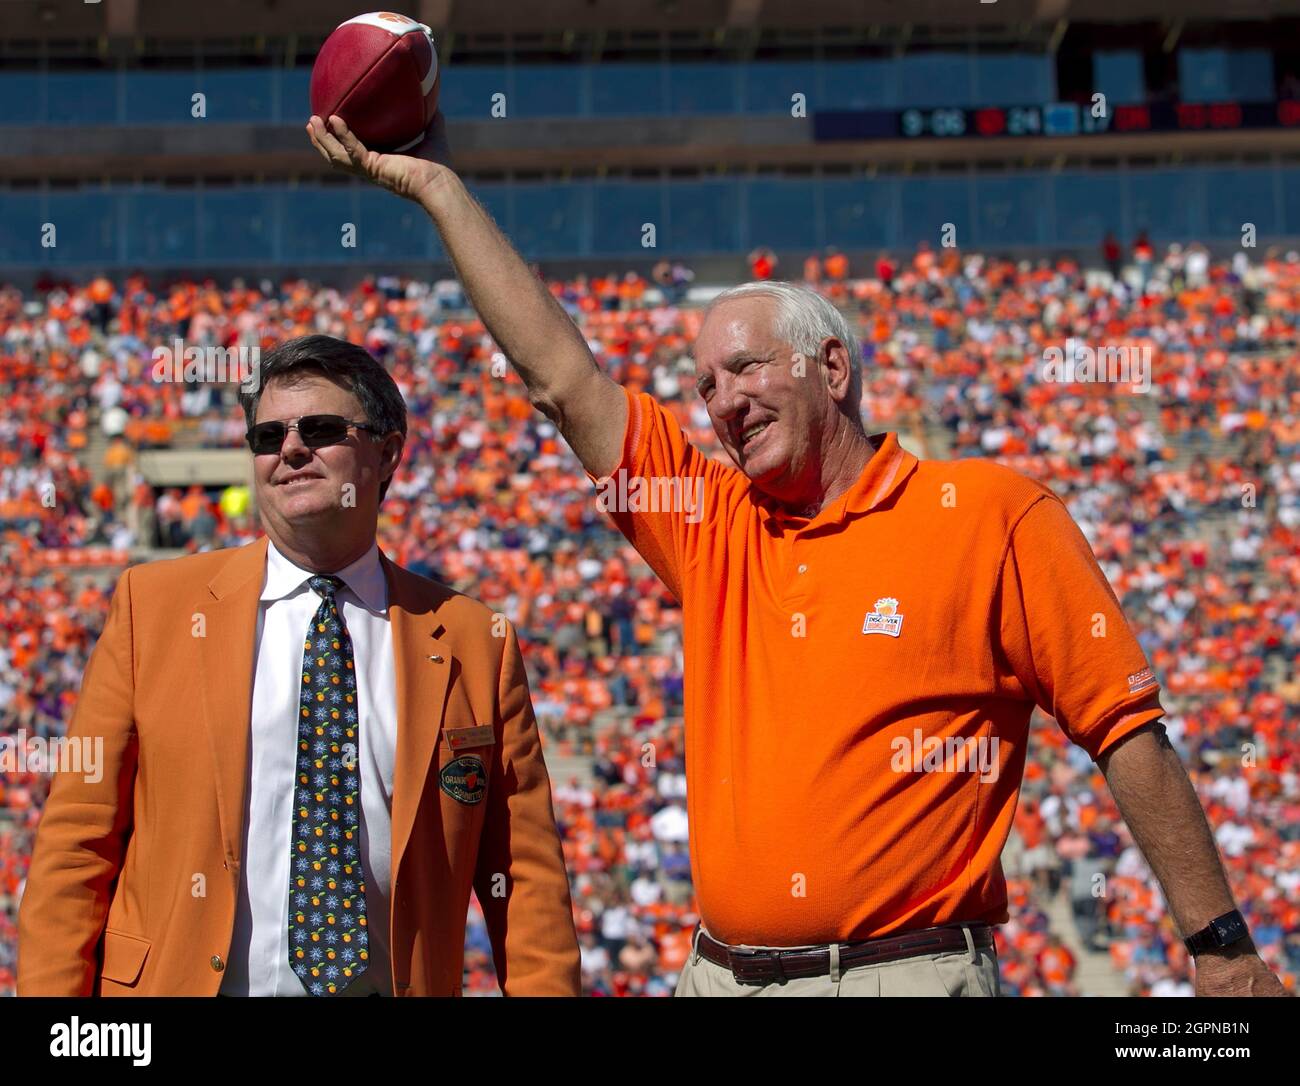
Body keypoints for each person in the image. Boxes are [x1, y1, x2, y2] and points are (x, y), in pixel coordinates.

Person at [303, 111, 1288, 998]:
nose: (722, 400)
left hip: (904, 976)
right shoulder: (712, 523)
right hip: (716, 976)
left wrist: (1218, 942)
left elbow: (1126, 732)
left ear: (833, 368)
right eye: (703, 385)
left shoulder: (991, 514)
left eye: (745, 366)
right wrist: (438, 189)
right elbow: (563, 380)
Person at [18, 334, 580, 997]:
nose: (289, 449)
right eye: (267, 436)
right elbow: (76, 847)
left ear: (388, 450)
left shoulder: (471, 640)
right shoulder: (153, 609)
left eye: (320, 429)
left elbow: (525, 877)